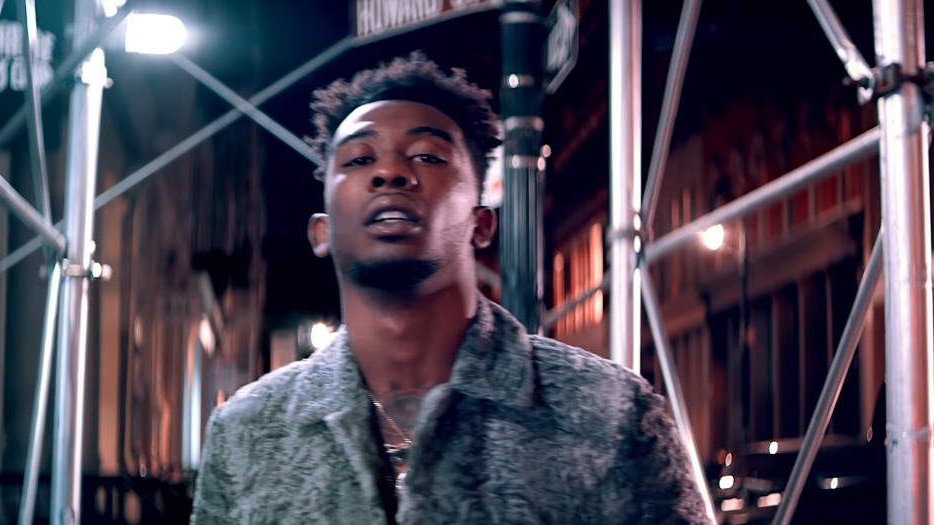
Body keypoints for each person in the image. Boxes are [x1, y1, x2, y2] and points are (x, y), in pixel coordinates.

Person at [190, 51, 711, 525]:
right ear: (322, 232)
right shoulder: (247, 431)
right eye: (359, 159)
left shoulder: (610, 413)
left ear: (481, 224)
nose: (390, 172)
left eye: (427, 155)